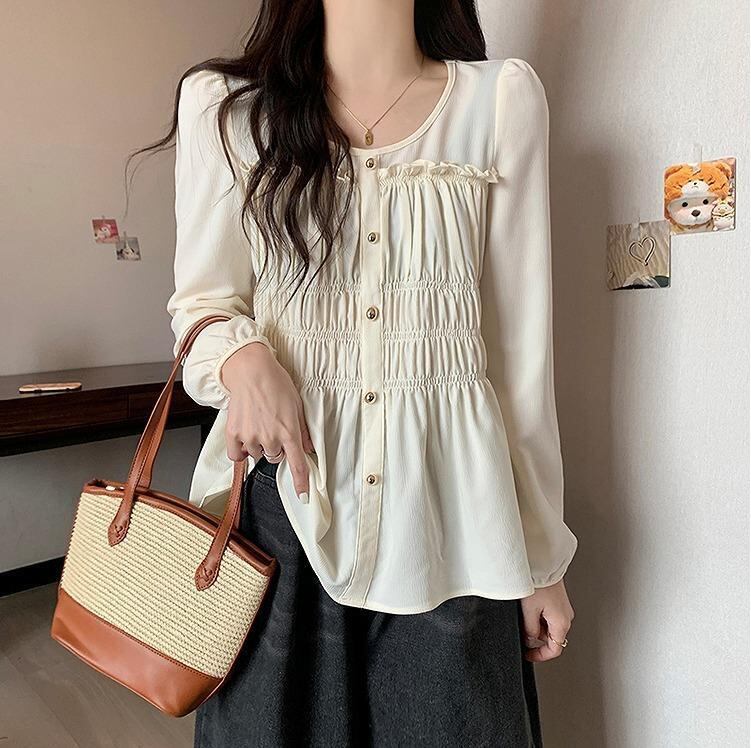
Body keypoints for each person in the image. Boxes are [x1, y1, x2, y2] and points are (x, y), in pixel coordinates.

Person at [136, 1, 578, 744]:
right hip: (280, 512)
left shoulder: (499, 102)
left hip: (456, 519)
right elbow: (203, 303)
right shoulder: (229, 110)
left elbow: (518, 357)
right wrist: (244, 358)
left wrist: (539, 558)